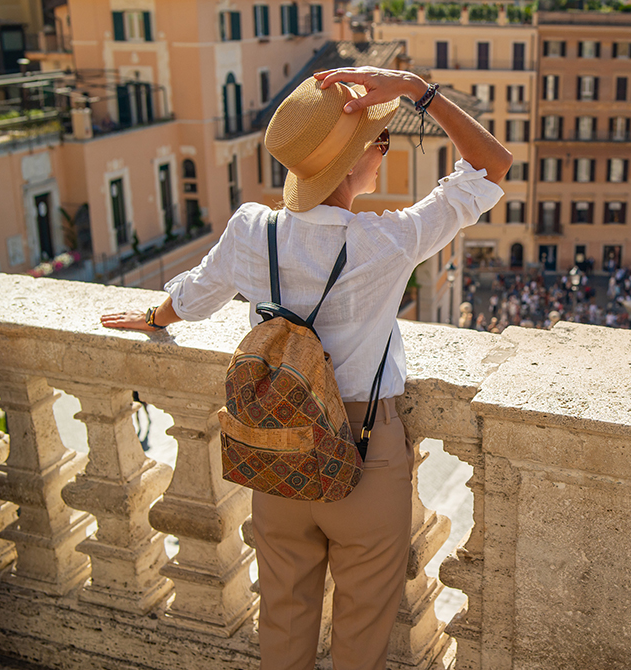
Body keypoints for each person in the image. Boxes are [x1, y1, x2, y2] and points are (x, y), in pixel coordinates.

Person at [100, 67, 512, 670]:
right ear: (352, 166)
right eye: (381, 143)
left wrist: (153, 315)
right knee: (361, 630)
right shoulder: (387, 242)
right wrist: (414, 90)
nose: (383, 153)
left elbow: (194, 297)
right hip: (366, 453)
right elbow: (490, 165)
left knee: (284, 622)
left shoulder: (251, 229)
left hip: (275, 446)